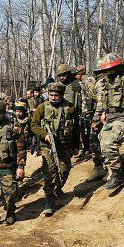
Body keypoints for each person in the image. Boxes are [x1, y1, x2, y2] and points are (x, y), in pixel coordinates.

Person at [31, 82, 80, 216]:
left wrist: (77, 146)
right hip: (47, 146)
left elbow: (76, 129)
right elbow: (34, 125)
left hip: (65, 145)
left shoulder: (71, 108)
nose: (53, 98)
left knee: (64, 170)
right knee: (49, 171)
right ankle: (50, 199)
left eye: (56, 95)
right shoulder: (42, 107)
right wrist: (44, 135)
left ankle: (58, 187)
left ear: (61, 95)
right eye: (50, 95)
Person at [92, 53, 124, 189]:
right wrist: (98, 118)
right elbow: (103, 101)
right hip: (112, 117)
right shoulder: (106, 81)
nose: (108, 72)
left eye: (110, 69)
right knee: (102, 141)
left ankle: (117, 175)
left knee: (108, 143)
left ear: (118, 66)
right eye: (106, 70)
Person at [76, 63, 107, 181]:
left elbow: (96, 99)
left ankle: (109, 168)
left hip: (99, 114)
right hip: (95, 113)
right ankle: (101, 167)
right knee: (96, 140)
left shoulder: (91, 81)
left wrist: (94, 117)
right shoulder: (91, 81)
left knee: (97, 140)